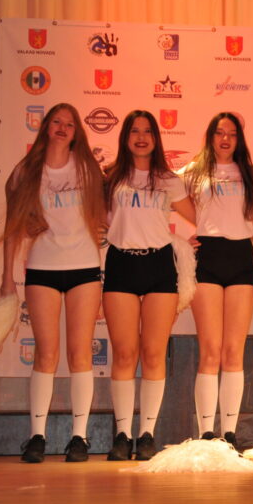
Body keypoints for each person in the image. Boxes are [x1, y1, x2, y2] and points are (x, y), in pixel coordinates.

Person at [0, 103, 105, 463]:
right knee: (45, 354)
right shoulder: (25, 171)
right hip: (42, 269)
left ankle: (79, 438)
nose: (62, 128)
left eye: (69, 124)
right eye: (56, 122)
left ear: (77, 133)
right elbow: (13, 228)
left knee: (80, 354)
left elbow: (106, 216)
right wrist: (7, 279)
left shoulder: (88, 168)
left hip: (85, 268)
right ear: (46, 127)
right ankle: (37, 437)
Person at [103, 110, 197, 461]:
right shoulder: (110, 178)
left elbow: (200, 217)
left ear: (156, 139)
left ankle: (146, 435)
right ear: (125, 137)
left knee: (154, 354)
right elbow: (94, 218)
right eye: (134, 131)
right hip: (121, 263)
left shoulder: (169, 180)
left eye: (147, 131)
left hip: (159, 265)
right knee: (125, 354)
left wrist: (192, 241)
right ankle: (122, 434)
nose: (141, 137)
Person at [182, 112, 253, 451]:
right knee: (210, 350)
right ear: (210, 137)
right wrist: (183, 236)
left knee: (233, 351)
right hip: (209, 258)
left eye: (232, 133)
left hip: (241, 258)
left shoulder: (251, 174)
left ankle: (229, 433)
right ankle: (205, 434)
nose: (225, 139)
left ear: (239, 139)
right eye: (219, 132)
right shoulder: (192, 172)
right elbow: (159, 191)